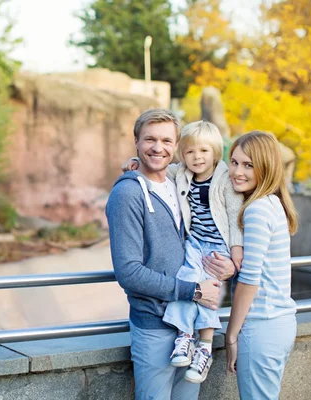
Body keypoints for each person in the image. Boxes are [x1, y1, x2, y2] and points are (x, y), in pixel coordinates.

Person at [105, 109, 235, 400]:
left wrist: (230, 266)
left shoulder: (179, 184)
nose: (157, 148)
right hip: (155, 325)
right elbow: (128, 272)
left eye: (166, 141)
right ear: (136, 141)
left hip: (189, 326)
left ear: (176, 147)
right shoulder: (128, 194)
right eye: (149, 139)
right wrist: (193, 292)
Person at [225, 130, 298, 399]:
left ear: (266, 168)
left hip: (261, 326)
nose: (237, 172)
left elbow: (250, 280)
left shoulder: (256, 210)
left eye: (248, 165)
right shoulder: (273, 203)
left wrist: (231, 335)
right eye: (234, 162)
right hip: (280, 323)